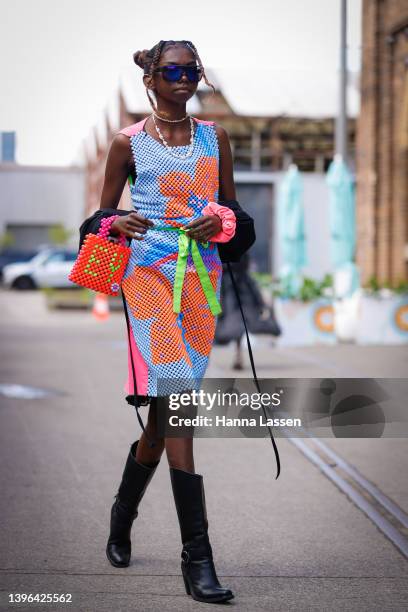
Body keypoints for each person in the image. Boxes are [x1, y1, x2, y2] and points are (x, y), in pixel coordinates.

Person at [98, 40, 237, 604]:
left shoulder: (216, 137)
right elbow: (101, 217)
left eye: (192, 71)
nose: (184, 79)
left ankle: (122, 513)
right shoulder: (125, 143)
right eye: (173, 71)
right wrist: (118, 222)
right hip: (148, 278)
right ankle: (197, 558)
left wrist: (219, 221)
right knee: (179, 399)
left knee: (164, 416)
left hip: (201, 281)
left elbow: (233, 211)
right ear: (151, 79)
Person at [215, 252, 281, 369]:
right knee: (233, 322)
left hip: (235, 288)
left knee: (235, 322)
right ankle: (237, 353)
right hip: (235, 287)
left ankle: (237, 354)